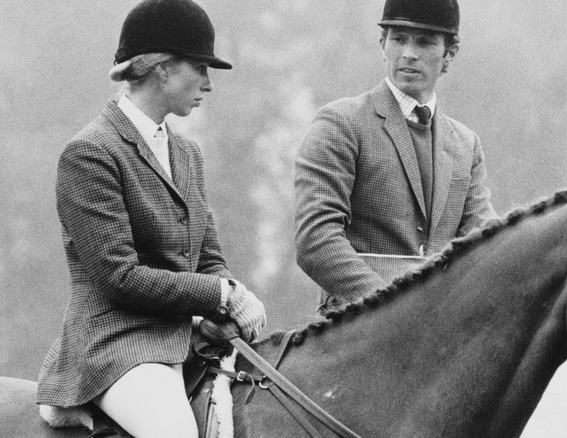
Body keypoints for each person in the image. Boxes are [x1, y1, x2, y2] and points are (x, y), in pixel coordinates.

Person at [36, 1, 265, 437]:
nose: (208, 84)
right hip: (117, 346)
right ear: (162, 68)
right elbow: (117, 277)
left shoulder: (187, 154)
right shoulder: (91, 152)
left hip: (187, 338)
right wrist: (220, 294)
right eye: (200, 68)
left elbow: (207, 256)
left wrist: (226, 306)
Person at [295, 0, 497, 314]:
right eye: (399, 39)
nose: (408, 53)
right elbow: (316, 240)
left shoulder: (466, 145)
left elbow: (486, 247)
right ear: (383, 44)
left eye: (425, 41)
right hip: (355, 330)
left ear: (449, 53)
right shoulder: (341, 123)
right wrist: (393, 308)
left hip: (440, 334)